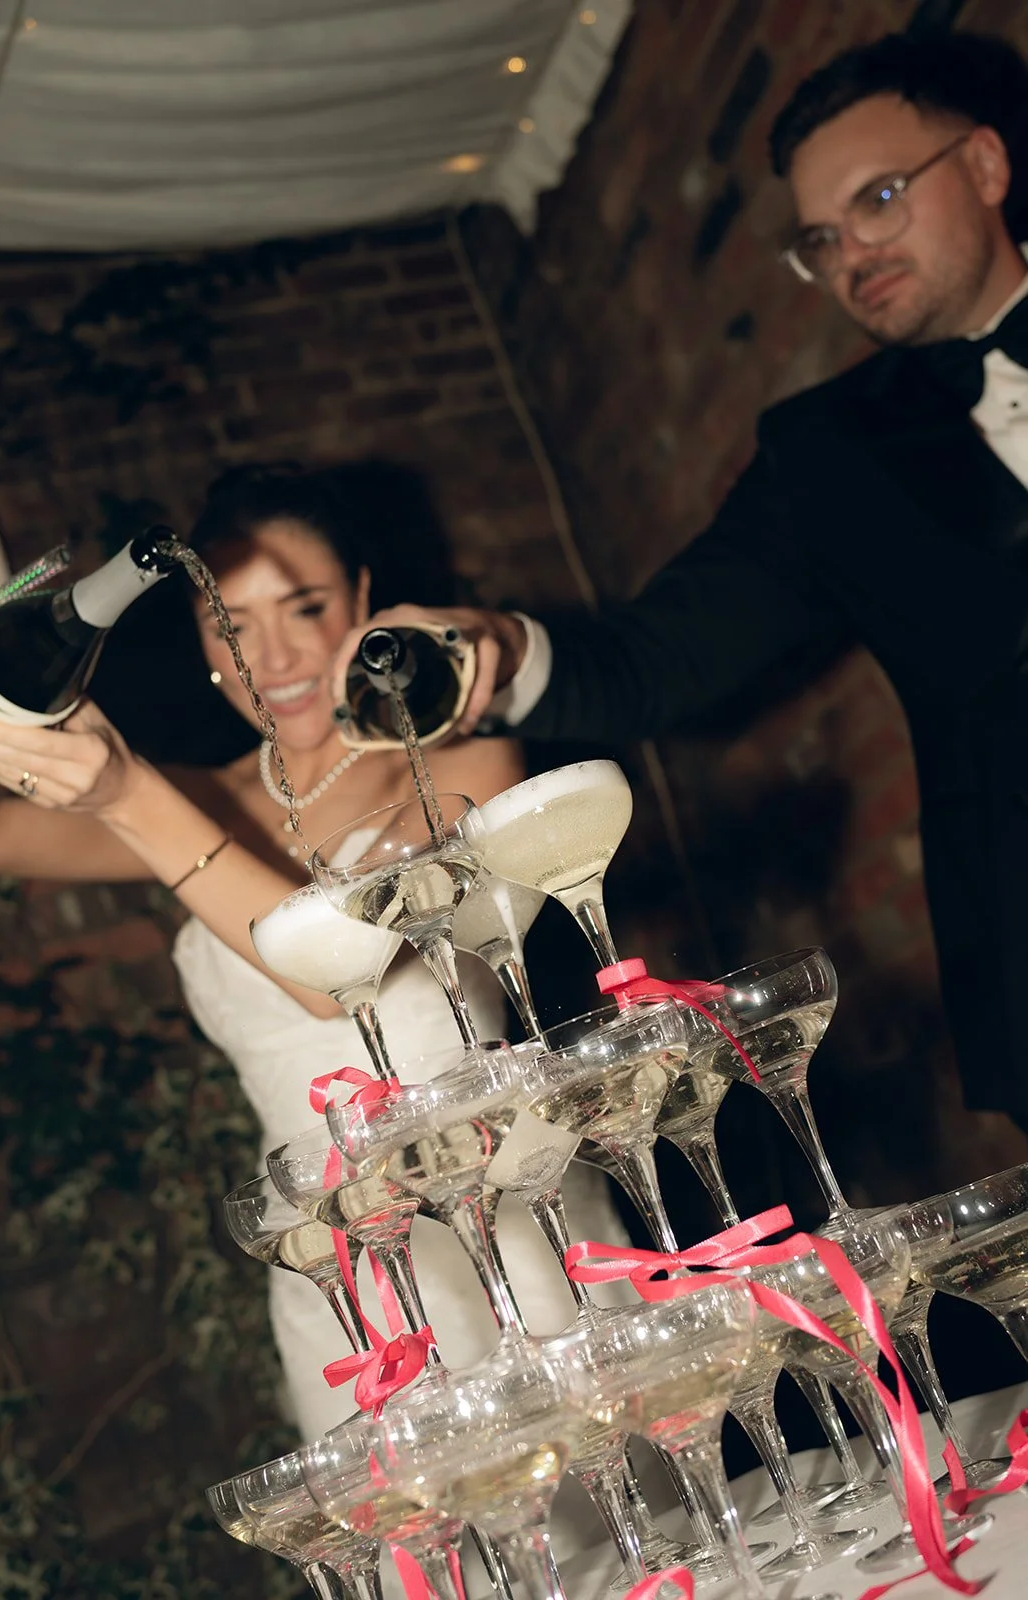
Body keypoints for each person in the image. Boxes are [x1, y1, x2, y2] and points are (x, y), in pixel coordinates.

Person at [333, 30, 1028, 1139]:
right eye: (818, 239)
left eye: (879, 199)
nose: (851, 252)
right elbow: (655, 658)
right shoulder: (828, 454)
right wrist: (488, 652)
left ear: (985, 165)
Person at [0, 462, 628, 1443]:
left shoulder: (458, 758)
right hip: (341, 1276)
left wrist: (130, 797)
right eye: (229, 620)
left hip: (506, 1224)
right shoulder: (211, 798)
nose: (267, 655)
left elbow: (338, 978)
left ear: (361, 598)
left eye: (303, 607)